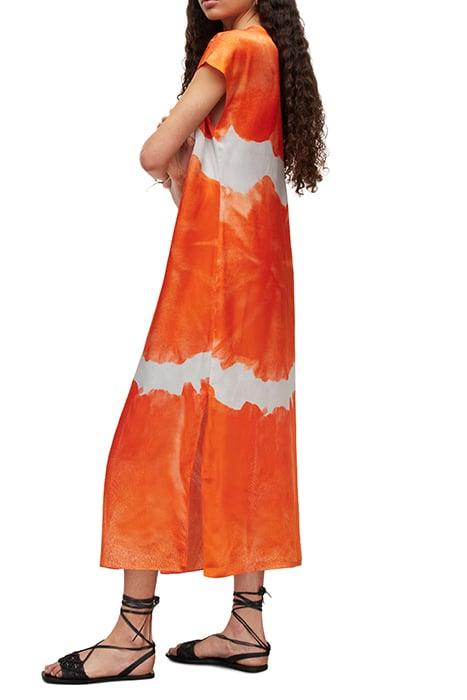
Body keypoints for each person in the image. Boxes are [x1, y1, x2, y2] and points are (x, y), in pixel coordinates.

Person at [42, 0, 327, 684]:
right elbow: (219, 180)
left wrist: (169, 167)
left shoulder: (229, 51)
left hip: (213, 280)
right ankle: (247, 626)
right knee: (247, 432)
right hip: (263, 284)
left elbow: (152, 152)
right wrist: (184, 174)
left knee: (151, 437)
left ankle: (131, 634)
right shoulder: (273, 55)